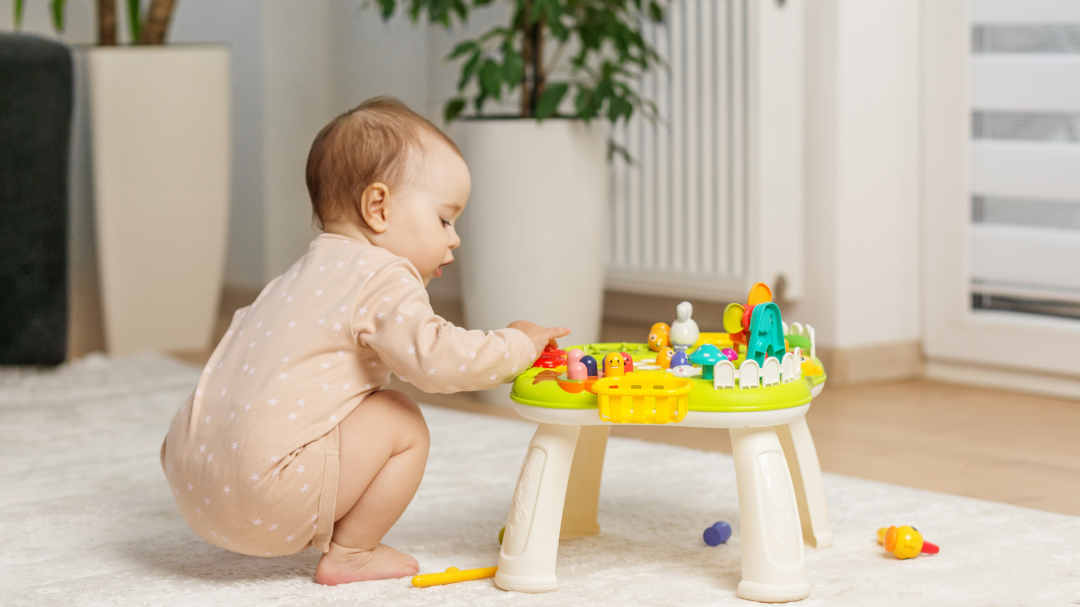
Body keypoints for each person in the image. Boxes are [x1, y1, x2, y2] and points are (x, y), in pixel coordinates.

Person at [160, 97, 569, 585]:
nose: (454, 238)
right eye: (444, 219)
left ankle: (289, 502)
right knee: (402, 419)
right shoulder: (381, 274)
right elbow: (438, 361)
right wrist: (516, 344)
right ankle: (351, 553)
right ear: (378, 208)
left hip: (191, 484)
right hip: (261, 499)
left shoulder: (294, 279)